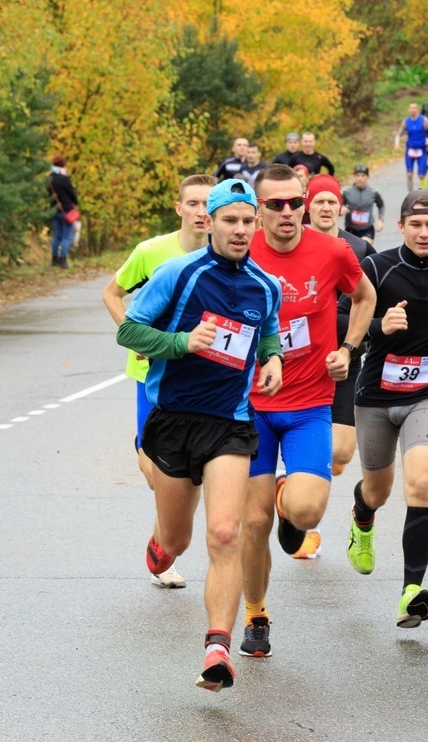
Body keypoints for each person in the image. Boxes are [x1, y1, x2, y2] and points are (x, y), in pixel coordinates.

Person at [116, 178, 284, 692]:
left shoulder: (264, 284)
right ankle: (160, 546)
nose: (239, 230)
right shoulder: (177, 273)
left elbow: (268, 327)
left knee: (225, 534)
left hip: (229, 424)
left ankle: (217, 649)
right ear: (208, 222)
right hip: (173, 420)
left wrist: (272, 357)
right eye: (229, 220)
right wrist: (182, 341)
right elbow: (129, 330)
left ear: (257, 225)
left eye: (247, 220)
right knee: (179, 539)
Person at [239, 168, 376, 660]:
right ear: (258, 210)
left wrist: (348, 347)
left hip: (309, 405)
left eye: (293, 203)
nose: (286, 213)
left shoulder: (332, 252)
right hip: (249, 408)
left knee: (306, 510)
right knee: (252, 524)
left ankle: (284, 492)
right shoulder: (239, 250)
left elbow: (365, 296)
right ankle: (256, 613)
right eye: (273, 205)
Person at [348, 190, 428, 627]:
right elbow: (342, 318)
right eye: (415, 225)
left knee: (420, 483)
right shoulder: (376, 267)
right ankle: (361, 518)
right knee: (377, 492)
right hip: (375, 397)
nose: (423, 232)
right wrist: (380, 325)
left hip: (425, 396)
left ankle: (410, 593)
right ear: (400, 226)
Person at [102, 174, 216, 590]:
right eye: (194, 204)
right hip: (152, 378)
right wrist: (137, 340)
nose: (202, 212)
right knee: (157, 472)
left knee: (189, 471)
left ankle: (164, 549)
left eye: (208, 203)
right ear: (179, 208)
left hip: (204, 380)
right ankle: (166, 532)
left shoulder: (229, 255)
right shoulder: (151, 253)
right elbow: (112, 294)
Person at [307, 177, 378, 486]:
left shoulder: (361, 248)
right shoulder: (292, 244)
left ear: (341, 207)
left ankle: (300, 482)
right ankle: (296, 493)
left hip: (346, 360)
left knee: (341, 453)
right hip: (301, 360)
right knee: (304, 446)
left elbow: (376, 300)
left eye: (331, 202)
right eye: (318, 201)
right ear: (307, 206)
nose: (325, 207)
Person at [47, 155, 78, 269]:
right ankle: (63, 260)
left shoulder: (49, 178)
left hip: (55, 209)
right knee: (67, 236)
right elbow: (72, 193)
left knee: (57, 236)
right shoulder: (64, 178)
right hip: (67, 210)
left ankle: (54, 259)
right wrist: (75, 202)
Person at [396, 101, 428, 192]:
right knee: (409, 174)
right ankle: (410, 195)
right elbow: (398, 135)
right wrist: (397, 144)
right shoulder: (406, 122)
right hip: (410, 150)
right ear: (408, 110)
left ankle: (423, 193)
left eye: (415, 108)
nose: (413, 110)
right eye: (411, 108)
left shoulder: (424, 120)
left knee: (421, 175)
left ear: (417, 109)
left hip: (422, 150)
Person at [341, 165, 384, 242]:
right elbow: (339, 206)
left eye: (363, 176)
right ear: (354, 177)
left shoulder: (374, 192)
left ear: (367, 177)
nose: (360, 178)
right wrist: (341, 209)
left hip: (367, 229)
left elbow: (381, 205)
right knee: (353, 252)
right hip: (350, 229)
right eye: (357, 176)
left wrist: (380, 220)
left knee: (363, 247)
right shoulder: (346, 191)